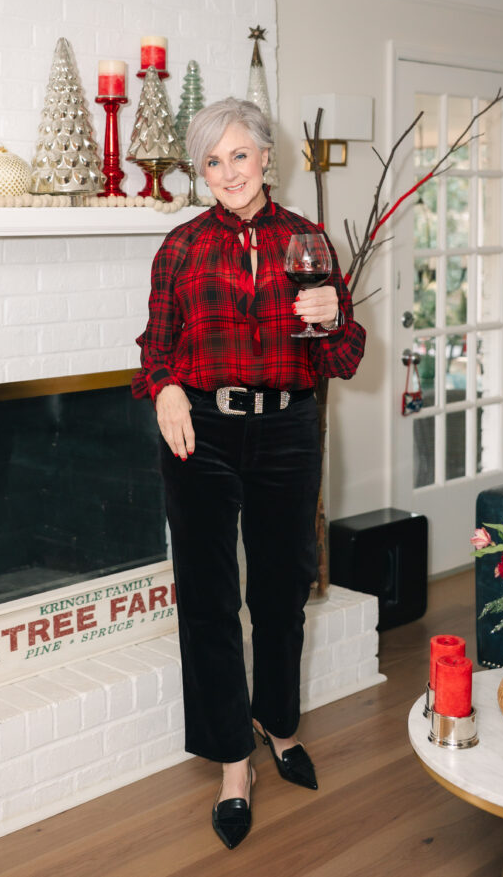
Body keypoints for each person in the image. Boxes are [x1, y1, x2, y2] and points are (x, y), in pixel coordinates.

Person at [132, 97, 365, 849]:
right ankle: (234, 759)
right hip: (201, 429)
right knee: (207, 597)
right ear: (200, 172)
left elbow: (340, 356)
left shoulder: (308, 240)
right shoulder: (179, 248)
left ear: (266, 156)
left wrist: (333, 317)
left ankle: (278, 722)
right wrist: (165, 385)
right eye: (211, 160)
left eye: (239, 154)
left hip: (289, 428)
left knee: (280, 588)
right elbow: (155, 343)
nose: (227, 171)